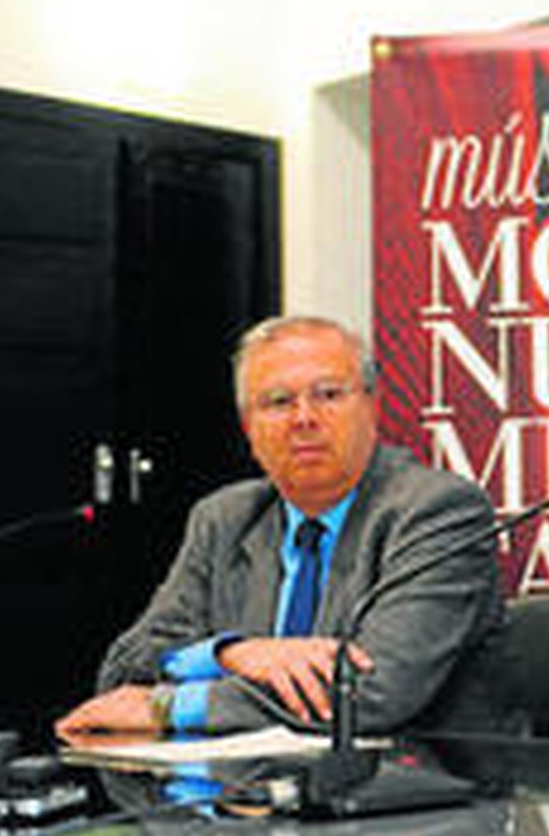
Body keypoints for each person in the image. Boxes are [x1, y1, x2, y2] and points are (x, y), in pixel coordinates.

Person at [58, 315, 506, 736]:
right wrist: (230, 653)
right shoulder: (225, 519)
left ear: (372, 408)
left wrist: (170, 707)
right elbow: (123, 672)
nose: (304, 418)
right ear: (248, 428)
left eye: (328, 395)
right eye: (278, 402)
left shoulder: (437, 510)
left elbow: (371, 694)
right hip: (248, 785)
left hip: (423, 785)